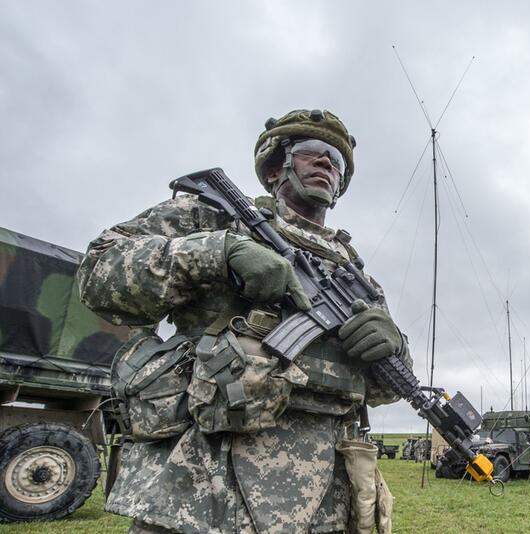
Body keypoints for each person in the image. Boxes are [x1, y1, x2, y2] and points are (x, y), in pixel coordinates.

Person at [78, 109, 409, 534]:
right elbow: (99, 271)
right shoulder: (214, 218)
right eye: (315, 152)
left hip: (326, 495)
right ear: (276, 167)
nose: (328, 163)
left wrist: (394, 344)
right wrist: (217, 252)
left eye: (338, 161)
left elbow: (386, 387)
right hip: (205, 483)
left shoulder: (357, 277)